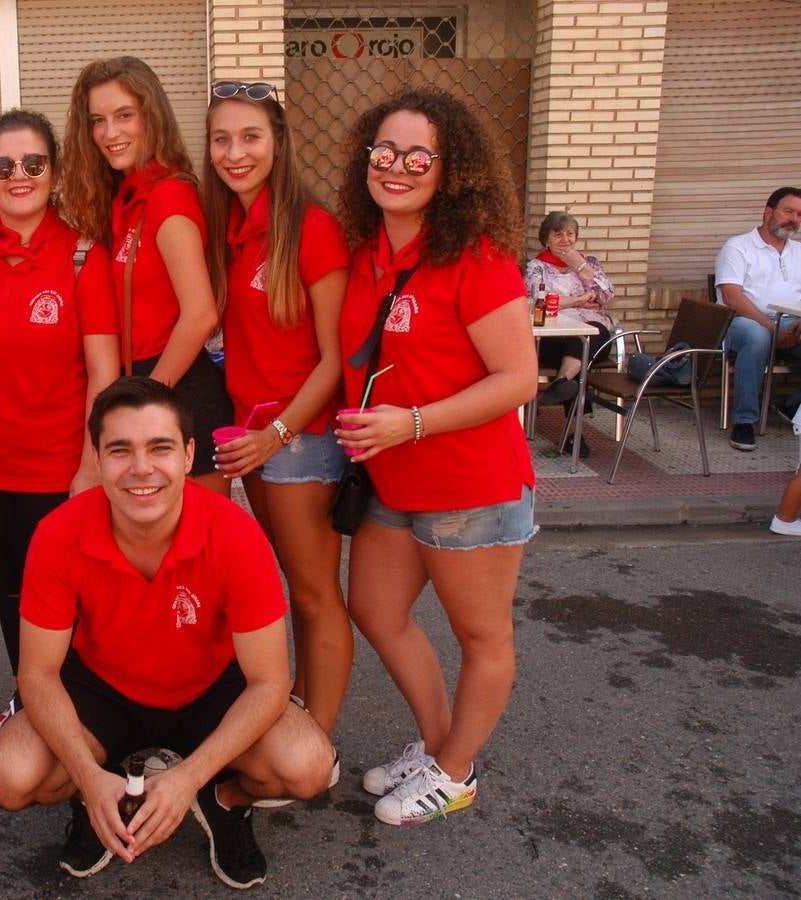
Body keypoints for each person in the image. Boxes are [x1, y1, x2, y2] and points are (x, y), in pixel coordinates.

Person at [0, 376, 333, 890]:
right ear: (97, 460)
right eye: (120, 450)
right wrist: (87, 777)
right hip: (102, 687)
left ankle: (223, 802)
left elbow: (270, 682)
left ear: (189, 455)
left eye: (160, 448)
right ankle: (97, 801)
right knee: (9, 777)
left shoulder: (235, 533)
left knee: (308, 767)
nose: (141, 468)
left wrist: (189, 777)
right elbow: (37, 672)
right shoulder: (59, 532)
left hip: (207, 687)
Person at [335, 88, 537, 827]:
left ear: (449, 169)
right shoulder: (368, 256)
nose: (396, 167)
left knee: (481, 636)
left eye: (417, 155)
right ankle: (436, 742)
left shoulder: (474, 258)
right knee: (375, 609)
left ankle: (456, 772)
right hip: (393, 476)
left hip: (467, 484)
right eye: (383, 152)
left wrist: (411, 421)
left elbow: (518, 379)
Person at [0, 109, 118, 727]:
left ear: (55, 171)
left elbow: (103, 374)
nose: (19, 176)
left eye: (33, 163)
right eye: (3, 165)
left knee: (69, 601)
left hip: (57, 469)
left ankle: (88, 719)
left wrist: (92, 466)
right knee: (12, 591)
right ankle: (33, 707)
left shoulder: (83, 254)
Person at [201, 81, 352, 737]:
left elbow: (334, 358)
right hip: (253, 437)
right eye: (221, 139)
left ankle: (313, 740)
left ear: (279, 143)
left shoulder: (310, 230)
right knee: (287, 588)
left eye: (250, 136)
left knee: (315, 596)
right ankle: (296, 716)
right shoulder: (231, 227)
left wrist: (278, 432)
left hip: (299, 438)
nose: (235, 152)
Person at [58, 55, 233, 495]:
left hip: (181, 389)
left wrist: (145, 401)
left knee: (196, 553)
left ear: (150, 115)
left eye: (123, 116)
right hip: (148, 385)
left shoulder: (168, 196)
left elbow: (200, 315)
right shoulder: (126, 199)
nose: (110, 133)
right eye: (98, 121)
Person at [715, 186, 801, 452]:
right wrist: (771, 328)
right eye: (788, 211)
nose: (794, 220)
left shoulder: (799, 251)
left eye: (800, 215)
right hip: (744, 320)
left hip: (792, 321)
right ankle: (744, 421)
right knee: (757, 337)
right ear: (768, 212)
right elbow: (731, 296)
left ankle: (794, 405)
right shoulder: (738, 247)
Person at [524, 211, 616, 457]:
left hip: (593, 335)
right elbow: (536, 300)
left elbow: (606, 296)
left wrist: (581, 267)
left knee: (586, 339)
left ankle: (563, 381)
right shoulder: (537, 267)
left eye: (570, 234)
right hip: (551, 338)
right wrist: (577, 300)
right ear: (546, 239)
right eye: (558, 234)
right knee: (578, 359)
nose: (565, 239)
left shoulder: (590, 264)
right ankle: (573, 433)